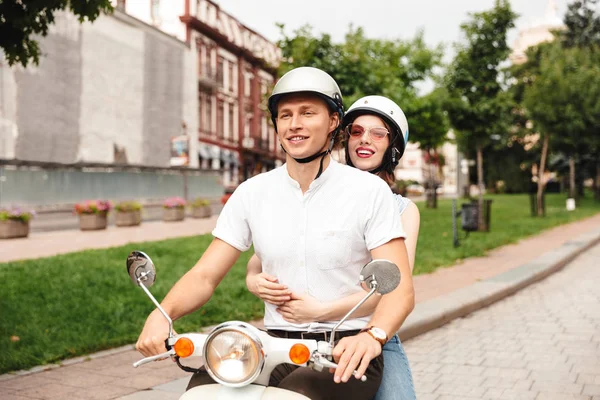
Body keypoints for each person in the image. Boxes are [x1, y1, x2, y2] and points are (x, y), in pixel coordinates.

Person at [135, 67, 415, 400]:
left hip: (347, 346)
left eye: (307, 112)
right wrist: (162, 313)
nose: (294, 123)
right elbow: (205, 275)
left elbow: (400, 289)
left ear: (333, 122)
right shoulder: (252, 192)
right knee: (202, 391)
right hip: (274, 344)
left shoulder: (369, 192)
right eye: (285, 115)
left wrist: (373, 336)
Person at [246, 95, 420, 400]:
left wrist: (321, 309)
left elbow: (391, 290)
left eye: (378, 133)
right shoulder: (316, 193)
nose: (364, 140)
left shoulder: (402, 209)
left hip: (368, 331)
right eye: (356, 131)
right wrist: (254, 280)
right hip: (297, 333)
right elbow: (261, 258)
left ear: (393, 147)